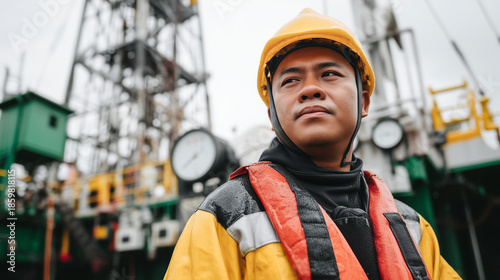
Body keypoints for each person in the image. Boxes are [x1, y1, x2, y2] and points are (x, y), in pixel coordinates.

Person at [164, 8, 461, 280]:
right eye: (290, 81)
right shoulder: (224, 218)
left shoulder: (413, 227)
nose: (310, 89)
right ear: (272, 114)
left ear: (365, 100)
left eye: (329, 74)